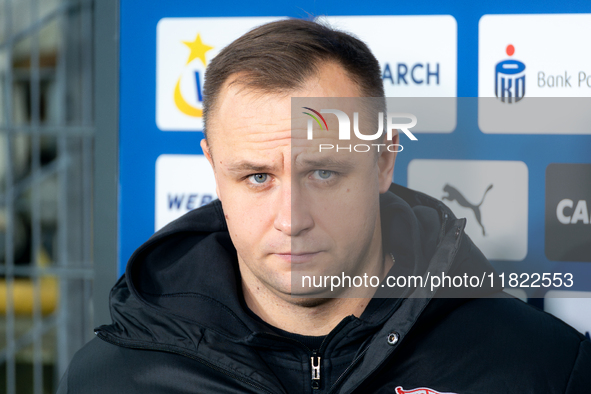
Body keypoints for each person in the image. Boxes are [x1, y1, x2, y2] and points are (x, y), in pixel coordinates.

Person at [57, 19, 591, 394]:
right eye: (257, 177)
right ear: (214, 167)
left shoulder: (540, 366)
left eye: (323, 173)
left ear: (384, 161)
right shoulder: (110, 377)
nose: (292, 219)